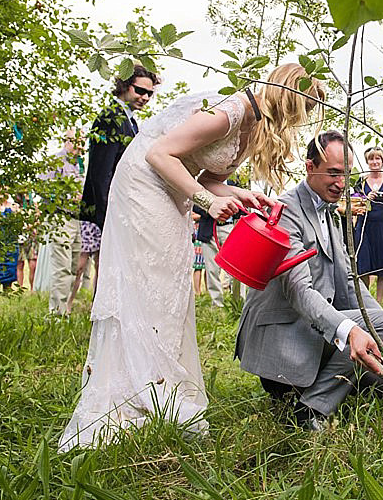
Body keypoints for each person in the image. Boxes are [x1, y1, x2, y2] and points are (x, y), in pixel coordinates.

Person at [59, 63, 324, 450]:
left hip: (172, 187)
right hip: (144, 186)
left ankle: (159, 387)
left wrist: (239, 194)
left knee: (172, 287)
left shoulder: (253, 126)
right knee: (152, 285)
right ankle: (135, 393)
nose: (300, 121)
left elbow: (202, 173)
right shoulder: (227, 112)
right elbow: (159, 155)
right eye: (302, 109)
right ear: (286, 97)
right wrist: (207, 202)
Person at [235, 131, 383, 430]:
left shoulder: (327, 212)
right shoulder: (287, 210)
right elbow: (298, 291)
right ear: (309, 167)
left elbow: (347, 281)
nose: (341, 183)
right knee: (377, 326)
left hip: (309, 331)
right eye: (333, 173)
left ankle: (322, 386)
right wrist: (356, 329)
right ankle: (310, 410)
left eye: (346, 174)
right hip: (283, 340)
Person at [78, 65, 160, 293]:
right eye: (139, 91)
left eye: (149, 94)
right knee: (106, 268)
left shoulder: (130, 121)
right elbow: (100, 173)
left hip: (123, 206)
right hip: (107, 209)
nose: (144, 97)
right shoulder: (110, 118)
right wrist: (107, 218)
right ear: (124, 86)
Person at [38, 129, 85, 315]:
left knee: (75, 267)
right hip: (60, 218)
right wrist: (68, 196)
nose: (81, 147)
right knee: (62, 267)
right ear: (68, 141)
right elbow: (43, 189)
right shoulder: (55, 162)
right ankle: (56, 314)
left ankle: (66, 309)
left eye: (83, 144)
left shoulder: (80, 165)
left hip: (78, 219)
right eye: (78, 142)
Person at [352, 147, 383, 303]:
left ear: (382, 161)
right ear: (367, 162)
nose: (374, 162)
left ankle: (378, 303)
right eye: (371, 159)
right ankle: (367, 301)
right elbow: (356, 205)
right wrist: (366, 198)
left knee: (382, 265)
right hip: (365, 225)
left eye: (377, 159)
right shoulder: (360, 182)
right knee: (364, 264)